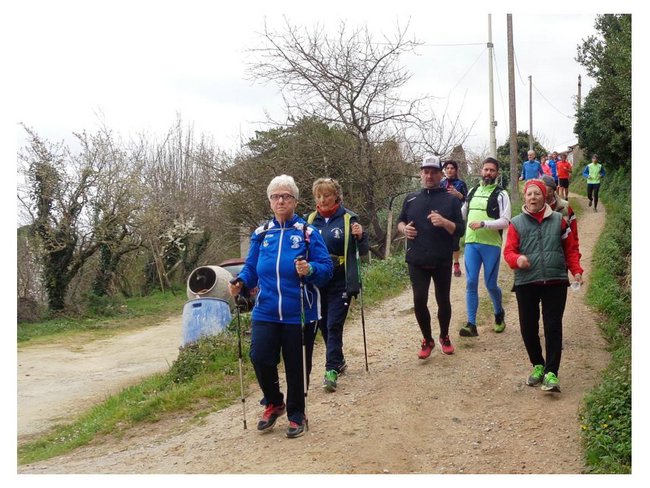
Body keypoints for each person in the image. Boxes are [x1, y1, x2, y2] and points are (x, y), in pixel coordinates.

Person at [228, 175, 333, 438]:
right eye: (275, 196)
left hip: (299, 311)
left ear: (295, 200)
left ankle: (297, 414)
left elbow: (326, 269)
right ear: (270, 202)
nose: (281, 201)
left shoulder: (307, 233)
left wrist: (310, 269)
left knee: (297, 366)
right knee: (259, 357)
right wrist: (241, 281)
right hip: (266, 310)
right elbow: (251, 268)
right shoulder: (262, 234)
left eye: (286, 196)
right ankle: (274, 402)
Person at [503, 179, 583, 393]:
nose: (533, 197)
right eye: (529, 194)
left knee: (552, 326)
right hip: (526, 282)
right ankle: (538, 365)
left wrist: (576, 270)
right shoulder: (516, 223)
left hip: (555, 281)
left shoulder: (559, 220)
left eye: (536, 194)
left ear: (544, 196)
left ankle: (551, 373)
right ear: (525, 198)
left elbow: (571, 249)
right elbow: (508, 252)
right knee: (528, 327)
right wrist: (517, 259)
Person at [397, 155, 465, 359]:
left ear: (440, 174)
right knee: (419, 300)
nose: (429, 176)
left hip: (441, 258)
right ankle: (427, 339)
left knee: (443, 300)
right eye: (425, 172)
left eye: (433, 172)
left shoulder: (451, 200)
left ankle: (444, 336)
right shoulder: (411, 198)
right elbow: (400, 221)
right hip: (416, 258)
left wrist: (445, 222)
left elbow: (460, 230)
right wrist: (404, 229)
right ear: (421, 174)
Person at [306, 177, 369, 393]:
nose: (322, 200)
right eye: (318, 196)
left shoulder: (349, 218)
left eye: (327, 195)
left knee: (334, 324)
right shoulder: (310, 220)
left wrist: (360, 236)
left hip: (341, 279)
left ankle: (331, 369)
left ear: (336, 196)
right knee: (323, 323)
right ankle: (339, 360)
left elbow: (364, 249)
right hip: (318, 281)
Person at [460, 157, 511, 336]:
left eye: (492, 170)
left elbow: (506, 221)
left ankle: (498, 313)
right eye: (486, 169)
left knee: (490, 285)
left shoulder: (502, 194)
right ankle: (471, 324)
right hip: (471, 243)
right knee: (471, 282)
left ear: (497, 173)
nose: (488, 173)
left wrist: (484, 224)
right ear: (481, 171)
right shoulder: (472, 191)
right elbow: (462, 214)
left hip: (491, 244)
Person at [440, 159, 468, 277]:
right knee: (442, 241)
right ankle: (444, 264)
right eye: (447, 168)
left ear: (456, 170)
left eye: (452, 168)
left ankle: (456, 264)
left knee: (455, 243)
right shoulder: (442, 184)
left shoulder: (461, 184)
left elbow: (468, 200)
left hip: (456, 216)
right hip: (443, 216)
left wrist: (458, 194)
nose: (449, 170)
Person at [541, 174, 580, 254]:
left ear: (554, 191)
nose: (546, 195)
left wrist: (576, 254)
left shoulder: (565, 207)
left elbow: (574, 233)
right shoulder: (534, 209)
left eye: (549, 191)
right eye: (543, 191)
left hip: (562, 254)